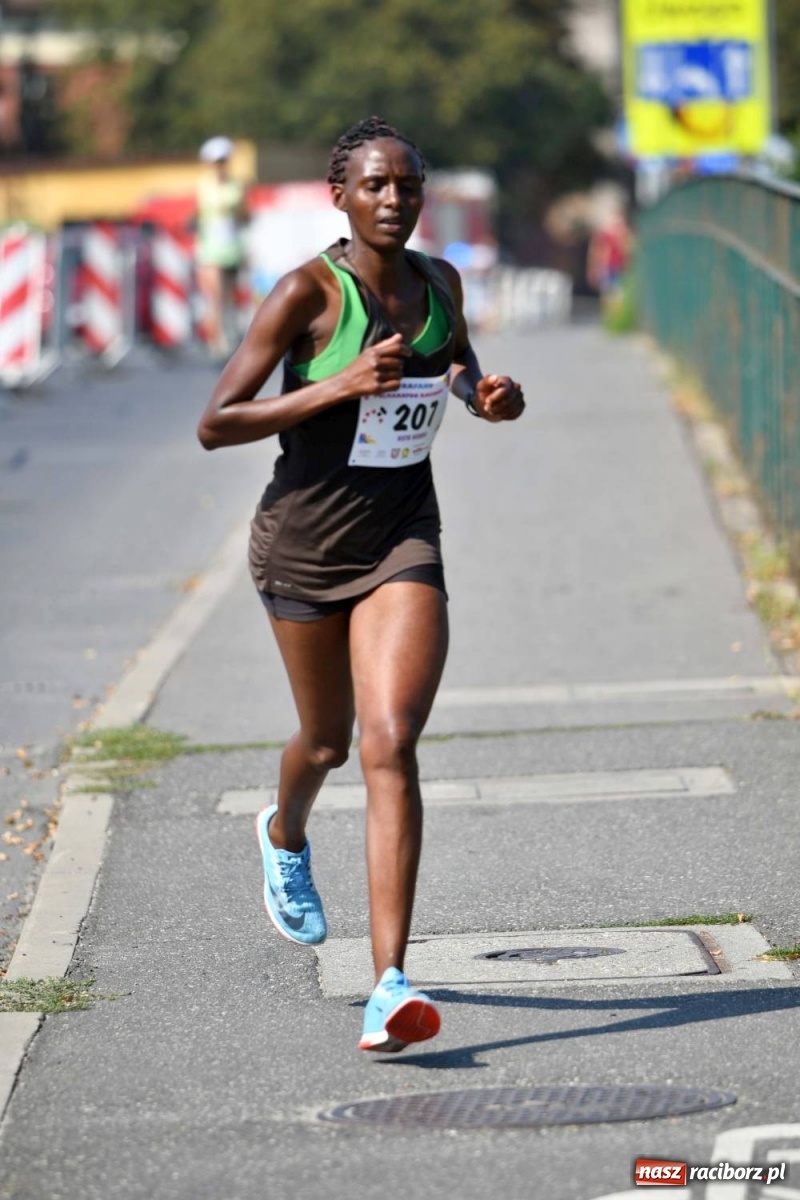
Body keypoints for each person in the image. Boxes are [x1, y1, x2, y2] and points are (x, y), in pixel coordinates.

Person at [197, 116, 524, 1053]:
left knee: (392, 742)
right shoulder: (306, 291)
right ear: (338, 196)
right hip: (302, 547)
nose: (394, 200)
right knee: (328, 742)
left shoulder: (438, 282)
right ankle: (285, 833)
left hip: (400, 539)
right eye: (376, 185)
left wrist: (482, 394)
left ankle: (391, 983)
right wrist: (335, 388)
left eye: (408, 185)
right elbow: (216, 422)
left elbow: (452, 361)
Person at [196, 135, 247, 361]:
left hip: (232, 247)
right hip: (210, 249)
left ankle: (232, 336)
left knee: (230, 296)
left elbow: (246, 215)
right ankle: (217, 343)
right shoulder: (203, 186)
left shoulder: (237, 186)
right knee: (215, 296)